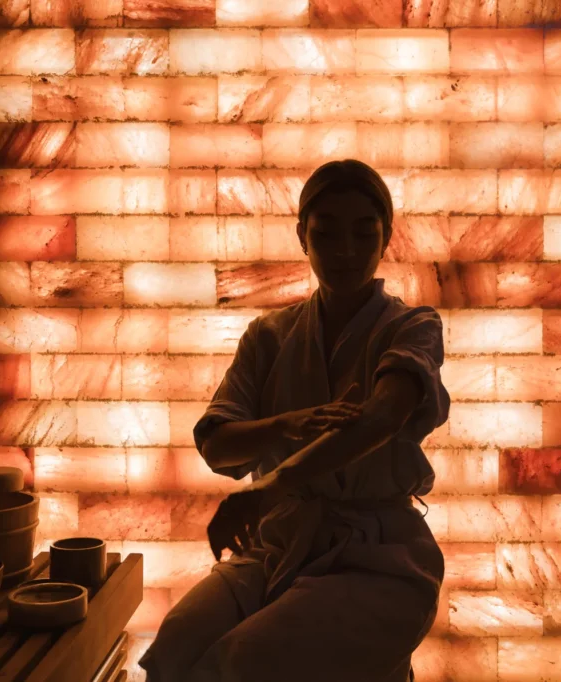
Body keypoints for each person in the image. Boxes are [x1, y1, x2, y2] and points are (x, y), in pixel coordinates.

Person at [139, 159, 451, 682]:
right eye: (326, 233)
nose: (345, 251)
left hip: (377, 553)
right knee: (175, 646)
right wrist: (286, 424)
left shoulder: (411, 326)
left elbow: (382, 416)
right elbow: (217, 445)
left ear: (387, 237)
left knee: (241, 663)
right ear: (302, 236)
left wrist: (272, 484)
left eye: (363, 232)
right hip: (280, 544)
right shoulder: (269, 335)